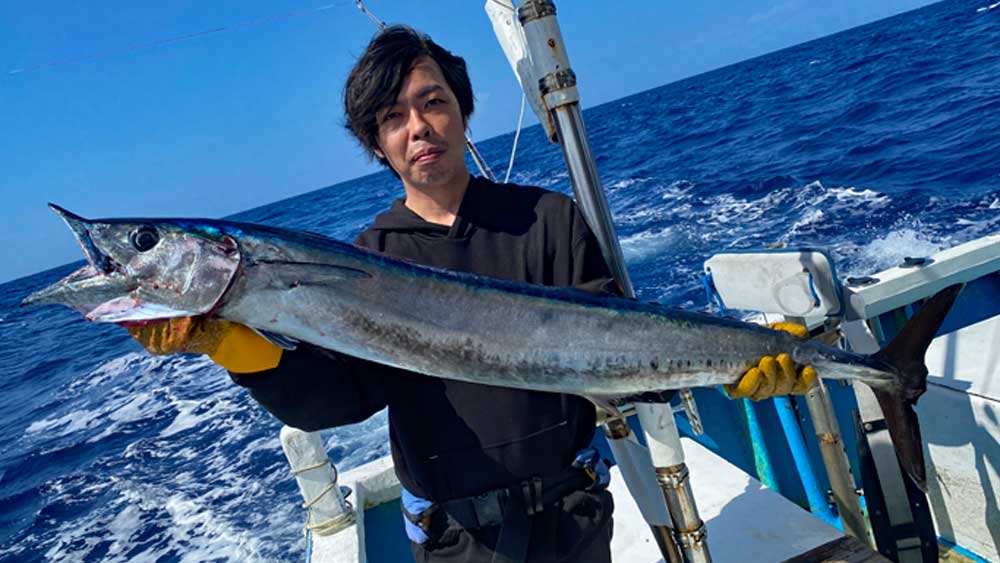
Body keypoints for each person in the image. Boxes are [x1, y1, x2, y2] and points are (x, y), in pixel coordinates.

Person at [129, 26, 815, 563]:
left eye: (432, 102)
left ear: (462, 110)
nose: (418, 126)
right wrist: (224, 341)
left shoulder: (548, 219)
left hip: (574, 520)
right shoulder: (371, 259)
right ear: (377, 143)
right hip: (458, 542)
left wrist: (740, 365)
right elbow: (339, 396)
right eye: (393, 117)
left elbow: (622, 357)